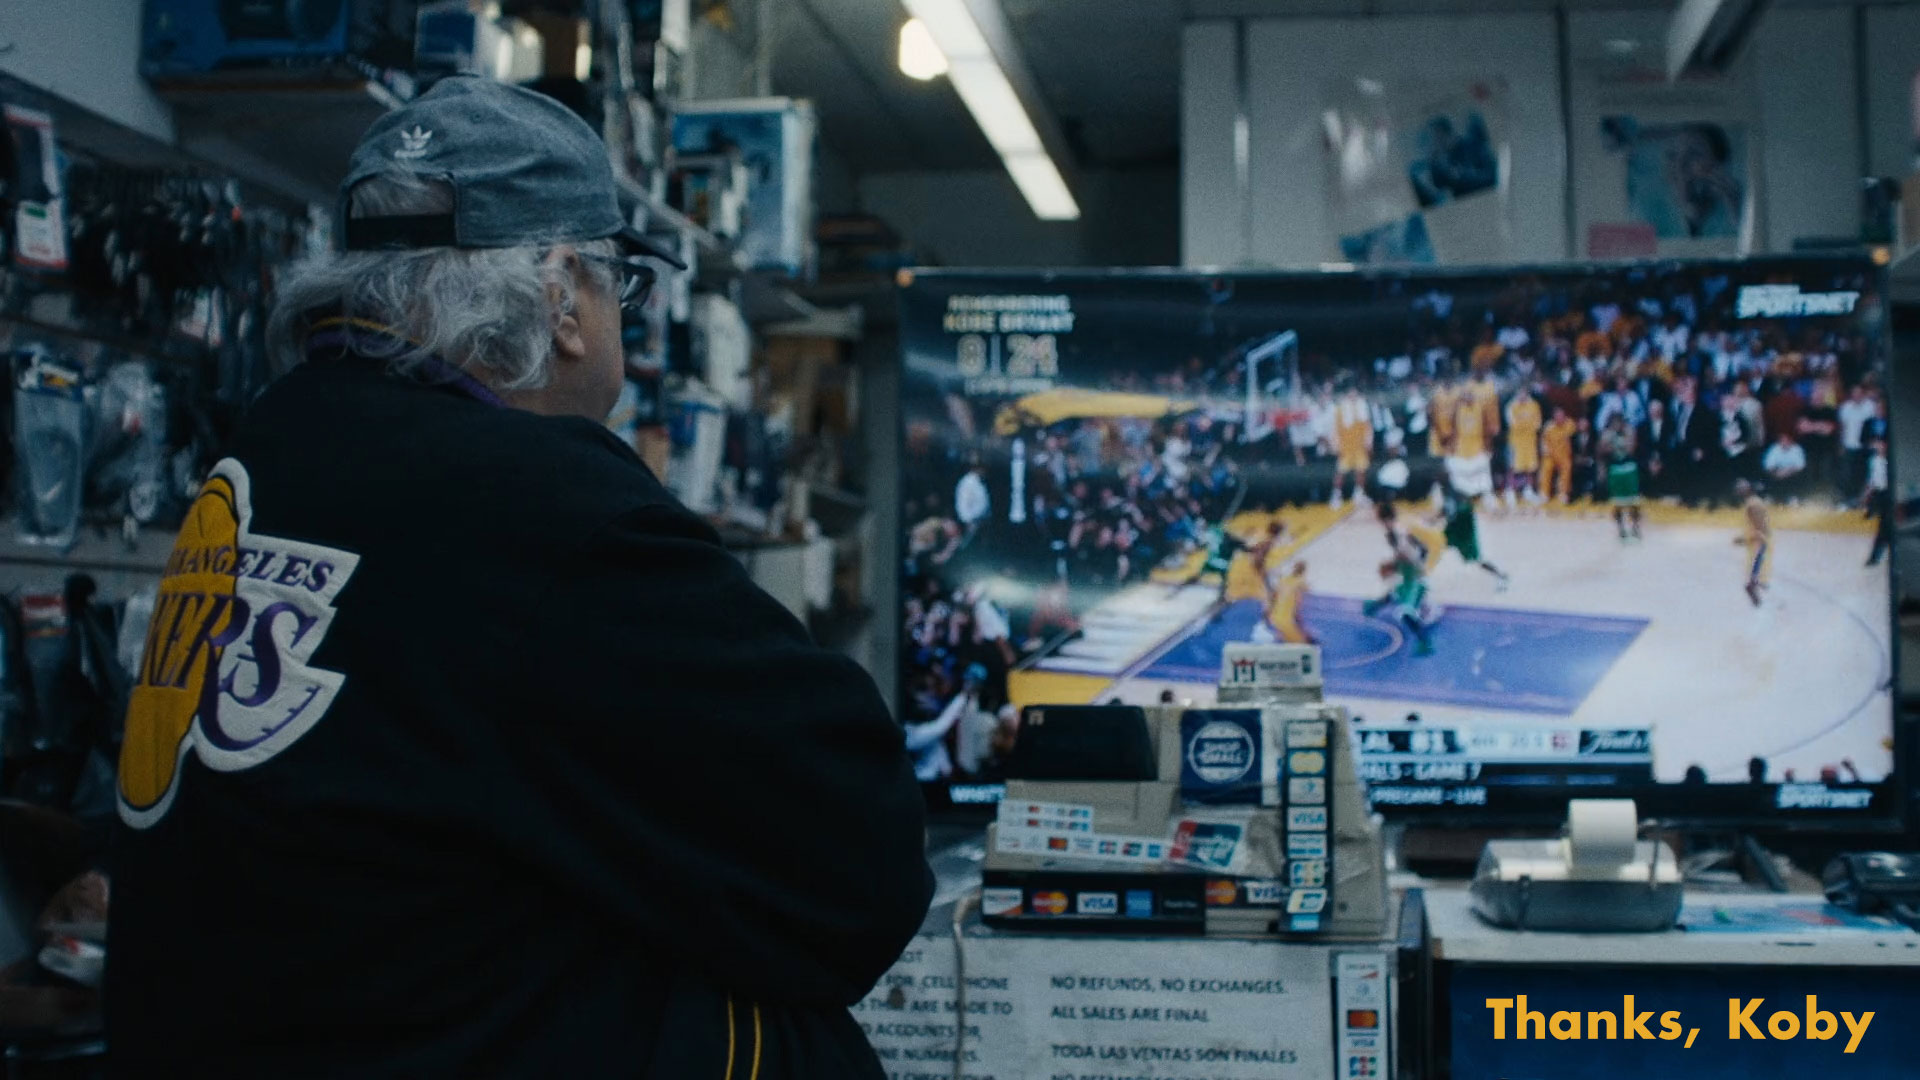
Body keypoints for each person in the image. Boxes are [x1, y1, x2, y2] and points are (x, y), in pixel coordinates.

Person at [109, 77, 931, 1078]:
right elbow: (863, 856)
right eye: (621, 287)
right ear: (561, 296)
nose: (622, 319)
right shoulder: (534, 499)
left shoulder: (266, 451)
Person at [1362, 502, 1436, 657]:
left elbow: (1410, 555)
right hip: (1410, 575)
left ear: (1384, 518)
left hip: (1414, 578)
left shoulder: (1396, 535)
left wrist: (1392, 565)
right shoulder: (1396, 531)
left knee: (1405, 612)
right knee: (1395, 593)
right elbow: (1423, 549)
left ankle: (1425, 642)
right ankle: (1373, 607)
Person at [1436, 484, 1511, 589]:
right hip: (1454, 534)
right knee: (1432, 548)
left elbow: (1446, 514)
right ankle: (1420, 575)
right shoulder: (1457, 501)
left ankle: (1500, 575)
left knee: (1479, 560)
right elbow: (1444, 514)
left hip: (1464, 537)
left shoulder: (1463, 506)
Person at [1602, 413, 1643, 541]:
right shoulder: (1607, 434)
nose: (1617, 425)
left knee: (1633, 502)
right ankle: (1621, 529)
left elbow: (1631, 449)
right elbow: (1603, 449)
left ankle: (1635, 527)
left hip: (1629, 469)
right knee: (1618, 503)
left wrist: (1618, 444)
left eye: (1619, 422)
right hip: (1615, 470)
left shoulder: (1630, 432)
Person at [1331, 385, 1373, 508]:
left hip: (1360, 447)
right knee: (1341, 472)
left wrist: (1369, 443)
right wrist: (1336, 446)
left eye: (1355, 394)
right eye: (1351, 394)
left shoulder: (1362, 408)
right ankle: (1336, 496)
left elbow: (1368, 427)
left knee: (1361, 471)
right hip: (1346, 448)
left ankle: (1359, 495)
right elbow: (1335, 430)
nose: (1353, 396)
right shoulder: (1340, 409)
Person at [1736, 478, 1772, 607]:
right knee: (1757, 564)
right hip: (1758, 538)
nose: (1739, 492)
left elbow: (1760, 524)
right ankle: (1757, 586)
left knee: (1756, 564)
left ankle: (1755, 587)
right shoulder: (1753, 502)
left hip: (1758, 539)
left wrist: (1748, 537)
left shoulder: (1753, 504)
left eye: (1741, 489)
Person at [1505, 388, 1543, 508]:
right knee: (1513, 467)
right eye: (1520, 393)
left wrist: (1525, 424)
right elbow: (1512, 423)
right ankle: (1510, 492)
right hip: (1516, 441)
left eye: (1524, 393)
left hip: (1530, 440)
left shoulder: (1534, 405)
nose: (1522, 395)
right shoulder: (1511, 406)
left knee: (1530, 468)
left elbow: (1538, 423)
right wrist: (1526, 424)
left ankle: (1528, 491)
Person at [1263, 561, 1316, 645]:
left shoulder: (1285, 580)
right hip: (1285, 615)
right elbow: (1305, 591)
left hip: (1279, 614)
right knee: (1295, 634)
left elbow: (1274, 595)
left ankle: (1286, 639)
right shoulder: (1298, 581)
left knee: (1286, 628)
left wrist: (1269, 609)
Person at [1540, 405, 1576, 505]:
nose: (1559, 417)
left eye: (1561, 415)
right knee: (1546, 468)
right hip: (1550, 455)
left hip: (1564, 454)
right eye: (1557, 415)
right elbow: (1543, 441)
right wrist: (1545, 449)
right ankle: (1544, 493)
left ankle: (1563, 493)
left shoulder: (1570, 424)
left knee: (1567, 468)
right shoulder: (1549, 427)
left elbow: (1573, 438)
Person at [1762, 433, 1808, 500]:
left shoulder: (1797, 449)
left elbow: (1801, 466)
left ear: (1790, 441)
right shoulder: (1774, 449)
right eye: (1782, 441)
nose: (1784, 443)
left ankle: (1793, 498)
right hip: (1777, 473)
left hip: (1792, 474)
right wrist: (1777, 473)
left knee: (1799, 477)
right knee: (1768, 476)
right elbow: (1768, 465)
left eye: (1786, 441)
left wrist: (1787, 472)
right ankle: (1771, 497)